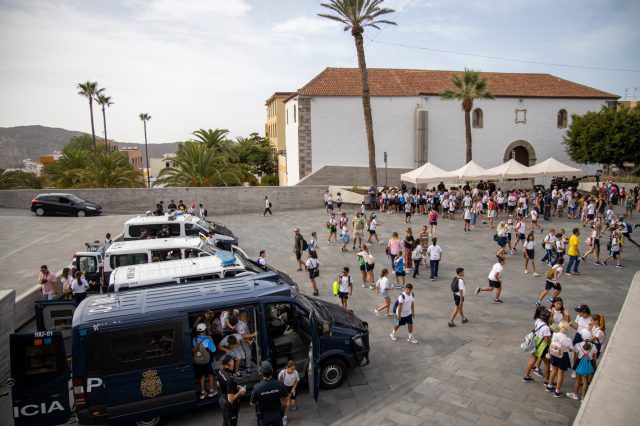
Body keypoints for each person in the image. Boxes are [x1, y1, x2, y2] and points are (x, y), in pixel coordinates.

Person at [522, 308, 552, 383]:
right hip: (543, 347)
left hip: (536, 343)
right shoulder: (546, 328)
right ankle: (548, 381)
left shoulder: (538, 321)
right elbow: (546, 340)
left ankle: (526, 376)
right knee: (547, 364)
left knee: (532, 360)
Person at [545, 321, 573, 398]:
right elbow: (570, 349)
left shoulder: (555, 334)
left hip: (554, 354)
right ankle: (557, 391)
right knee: (560, 373)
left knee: (553, 370)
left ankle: (549, 386)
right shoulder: (568, 339)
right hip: (562, 356)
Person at [566, 331, 596, 401]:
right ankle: (583, 397)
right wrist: (594, 366)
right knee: (585, 381)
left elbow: (575, 357)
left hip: (579, 362)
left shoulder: (578, 345)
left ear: (582, 337)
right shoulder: (593, 346)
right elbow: (594, 358)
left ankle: (575, 394)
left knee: (577, 380)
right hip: (589, 363)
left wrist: (574, 365)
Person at [218, 354, 246, 426]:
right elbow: (230, 399)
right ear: (229, 362)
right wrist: (240, 392)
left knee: (226, 422)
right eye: (232, 359)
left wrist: (234, 386)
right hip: (229, 405)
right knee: (231, 423)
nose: (234, 361)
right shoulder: (230, 379)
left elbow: (218, 383)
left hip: (222, 399)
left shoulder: (220, 371)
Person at [193, 323, 218, 399]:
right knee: (210, 374)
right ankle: (211, 390)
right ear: (205, 330)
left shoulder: (194, 339)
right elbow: (213, 349)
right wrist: (211, 340)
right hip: (208, 361)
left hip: (198, 361)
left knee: (202, 376)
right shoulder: (208, 339)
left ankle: (202, 393)